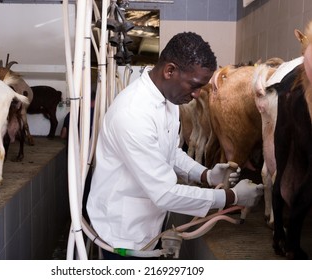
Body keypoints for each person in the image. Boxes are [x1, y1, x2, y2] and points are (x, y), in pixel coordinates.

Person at [86, 32, 264, 260]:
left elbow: (169, 151)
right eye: (194, 85)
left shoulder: (168, 99)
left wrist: (206, 175)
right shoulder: (132, 114)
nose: (198, 94)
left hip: (149, 222)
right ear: (170, 71)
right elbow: (165, 193)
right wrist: (232, 198)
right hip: (122, 233)